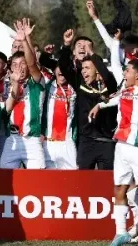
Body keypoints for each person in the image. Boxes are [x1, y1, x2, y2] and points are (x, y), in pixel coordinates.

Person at [88, 60, 138, 246]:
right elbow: (112, 99)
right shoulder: (125, 91)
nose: (124, 74)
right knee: (119, 189)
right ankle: (120, 233)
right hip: (121, 147)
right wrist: (99, 106)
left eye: (127, 71)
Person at [58, 29, 118, 170]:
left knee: (107, 184)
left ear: (97, 70)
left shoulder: (109, 85)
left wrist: (92, 54)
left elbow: (107, 76)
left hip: (107, 142)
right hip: (86, 142)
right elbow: (64, 66)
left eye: (87, 68)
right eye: (82, 68)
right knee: (84, 183)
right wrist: (67, 45)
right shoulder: (80, 83)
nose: (84, 71)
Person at [0, 22, 46, 169]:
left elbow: (33, 64)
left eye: (22, 63)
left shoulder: (37, 82)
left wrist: (25, 40)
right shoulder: (5, 84)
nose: (19, 67)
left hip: (32, 139)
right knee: (3, 179)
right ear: (10, 67)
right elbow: (7, 109)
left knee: (37, 181)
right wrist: (14, 84)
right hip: (12, 138)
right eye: (15, 64)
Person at [41, 65, 77, 169]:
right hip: (48, 143)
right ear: (54, 70)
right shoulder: (46, 88)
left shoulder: (75, 89)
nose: (62, 71)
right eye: (59, 67)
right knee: (48, 180)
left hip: (67, 142)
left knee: (72, 180)